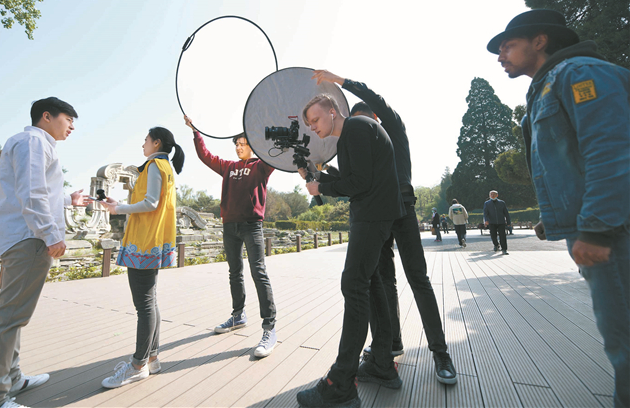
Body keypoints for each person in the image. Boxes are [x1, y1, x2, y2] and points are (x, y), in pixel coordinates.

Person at [489, 8, 629, 408]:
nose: (501, 55)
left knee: (625, 343)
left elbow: (610, 148)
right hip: (598, 227)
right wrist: (555, 219)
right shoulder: (548, 87)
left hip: (614, 230)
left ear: (540, 40)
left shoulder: (580, 74)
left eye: (508, 45)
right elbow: (567, 163)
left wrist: (597, 229)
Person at [307, 70, 457, 389]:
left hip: (401, 206)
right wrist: (319, 179)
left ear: (376, 118)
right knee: (380, 281)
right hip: (378, 210)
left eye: (368, 119)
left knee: (417, 278)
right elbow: (355, 181)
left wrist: (340, 80)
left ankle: (441, 354)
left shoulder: (389, 126)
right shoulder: (357, 139)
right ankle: (389, 347)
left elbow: (374, 99)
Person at [0, 98, 90, 408]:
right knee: (9, 318)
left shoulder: (31, 143)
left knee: (15, 314)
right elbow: (32, 192)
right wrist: (52, 235)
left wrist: (68, 199)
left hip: (22, 237)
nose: (72, 126)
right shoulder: (34, 141)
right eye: (69, 119)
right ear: (46, 116)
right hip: (29, 238)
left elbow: (37, 189)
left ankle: (12, 378)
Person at [295, 90, 404, 408]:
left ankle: (340, 383)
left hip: (370, 217)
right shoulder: (360, 130)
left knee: (354, 285)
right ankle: (382, 364)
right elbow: (360, 177)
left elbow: (359, 184)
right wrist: (319, 175)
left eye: (315, 119)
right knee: (370, 284)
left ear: (332, 110)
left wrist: (321, 188)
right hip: (379, 215)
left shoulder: (355, 127)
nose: (313, 127)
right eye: (309, 123)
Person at [97, 127, 184, 388]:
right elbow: (149, 201)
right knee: (149, 301)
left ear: (156, 142)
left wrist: (118, 208)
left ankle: (137, 365)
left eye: (146, 140)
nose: (142, 144)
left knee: (144, 305)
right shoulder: (162, 165)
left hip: (144, 243)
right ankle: (152, 357)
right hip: (151, 241)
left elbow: (151, 203)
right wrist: (118, 202)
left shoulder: (155, 165)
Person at [184, 116, 277, 358]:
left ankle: (269, 328)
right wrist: (196, 132)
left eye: (243, 143)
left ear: (253, 146)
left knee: (259, 272)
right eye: (236, 144)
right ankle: (238, 316)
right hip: (230, 226)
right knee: (234, 271)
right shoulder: (229, 167)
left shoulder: (261, 165)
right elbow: (205, 156)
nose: (238, 147)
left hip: (251, 226)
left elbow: (275, 153)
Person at [483, 190, 511, 255]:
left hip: (501, 222)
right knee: (493, 235)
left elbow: (506, 213)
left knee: (502, 236)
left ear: (497, 195)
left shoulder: (502, 203)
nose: (492, 196)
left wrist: (508, 221)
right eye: (491, 194)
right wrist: (486, 220)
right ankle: (496, 245)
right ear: (489, 195)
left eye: (494, 194)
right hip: (492, 222)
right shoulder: (487, 203)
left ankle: (504, 249)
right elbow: (485, 213)